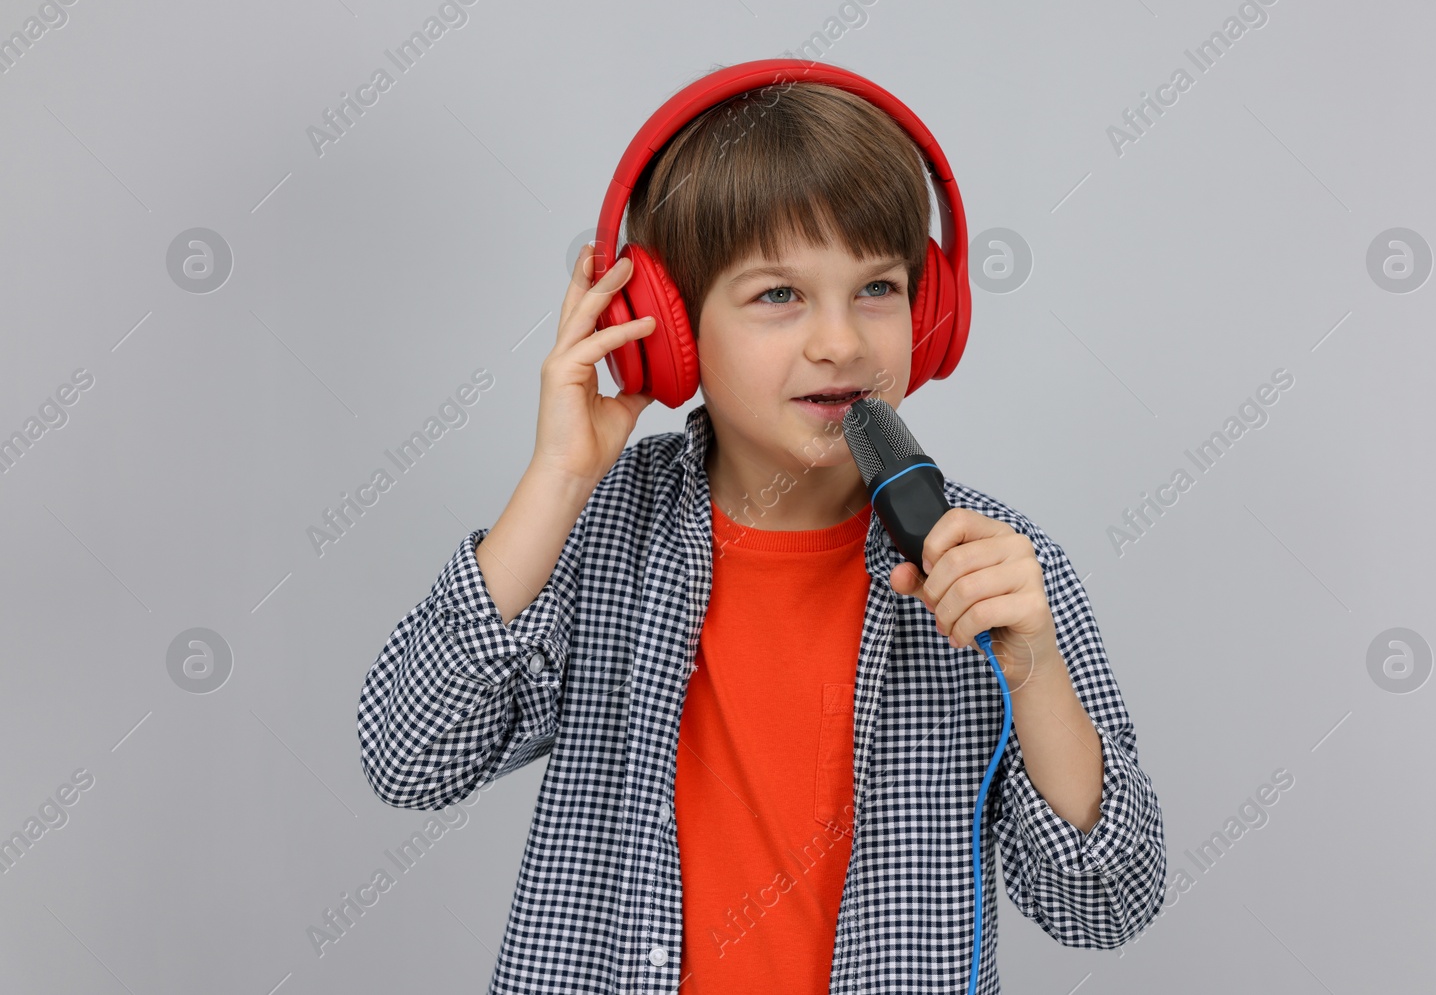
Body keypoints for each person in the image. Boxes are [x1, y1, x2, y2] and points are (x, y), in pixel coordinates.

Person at [357, 72, 1166, 995]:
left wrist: (1034, 672)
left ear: (930, 311)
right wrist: (558, 479)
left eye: (877, 288)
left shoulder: (995, 567)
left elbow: (1108, 905)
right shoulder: (600, 530)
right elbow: (408, 756)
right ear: (666, 332)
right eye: (780, 294)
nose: (841, 343)